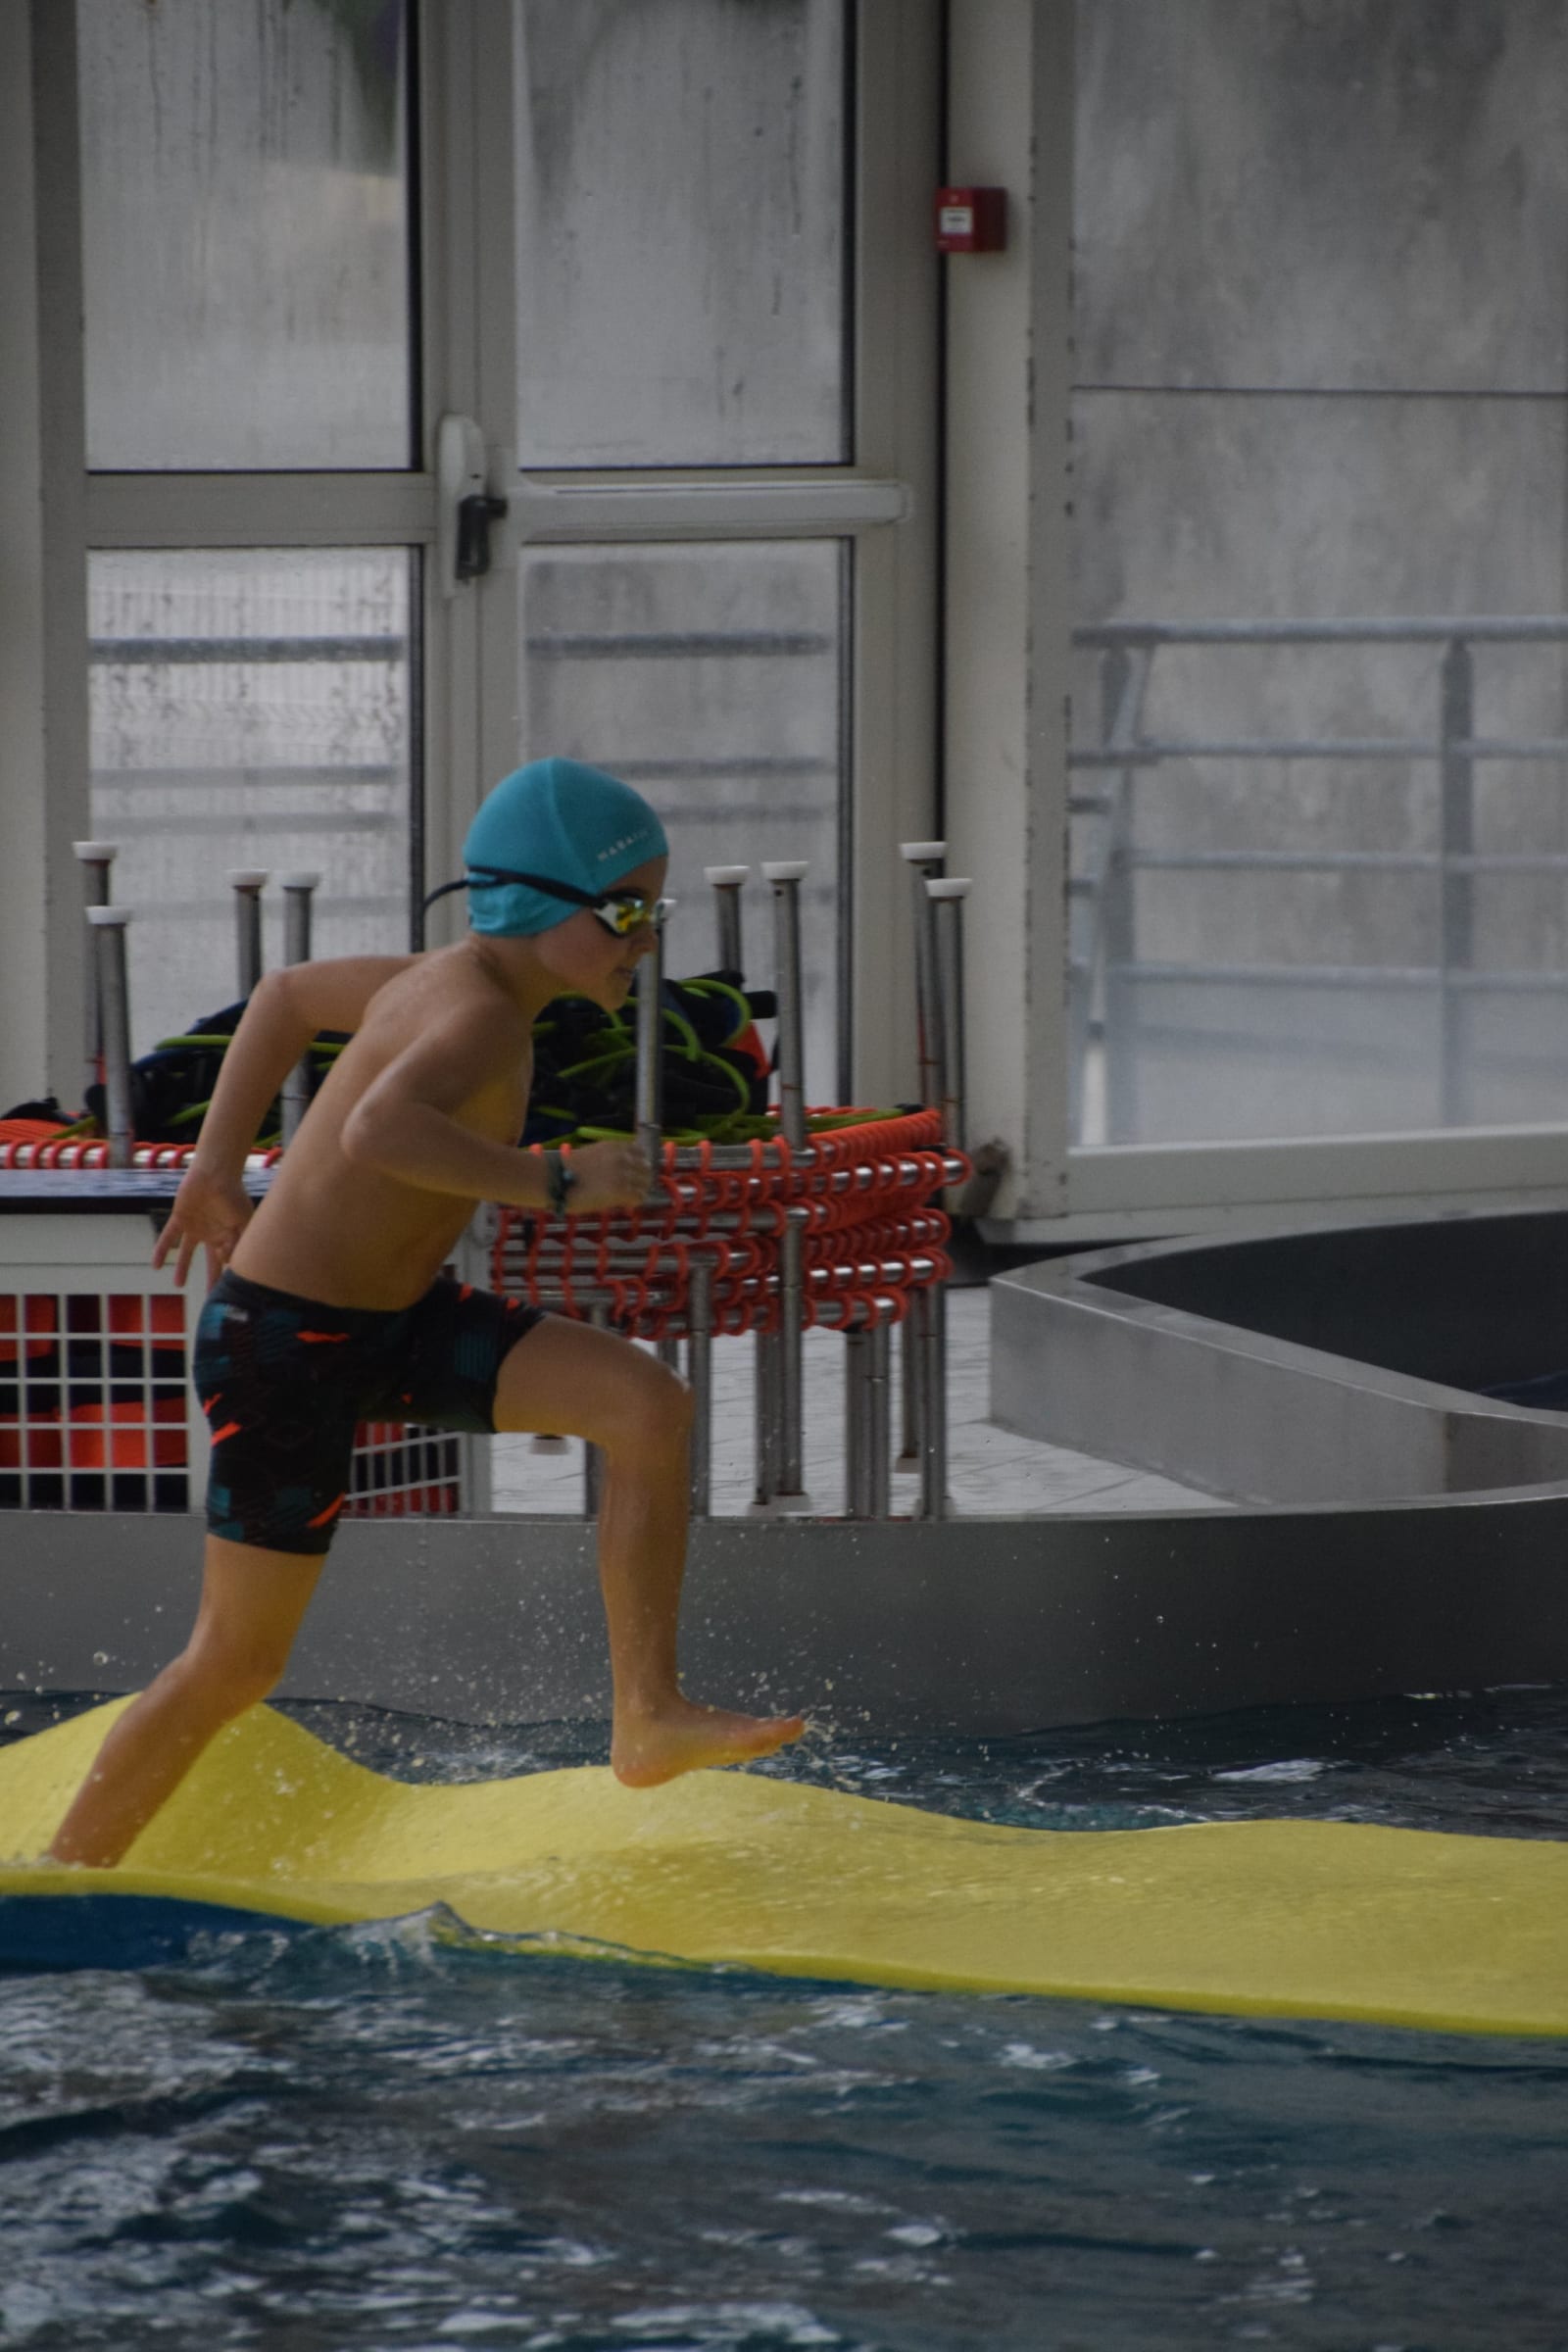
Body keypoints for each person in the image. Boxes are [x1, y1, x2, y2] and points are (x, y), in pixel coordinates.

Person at [50, 760, 805, 1867]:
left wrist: (213, 1170)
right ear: (543, 904)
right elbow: (377, 1131)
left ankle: (648, 1714)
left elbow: (284, 997)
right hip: (286, 1347)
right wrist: (554, 1180)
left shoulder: (446, 982)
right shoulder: (477, 1018)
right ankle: (65, 1874)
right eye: (626, 913)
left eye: (657, 911)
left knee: (645, 1405)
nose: (647, 940)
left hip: (395, 1323)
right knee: (235, 1663)